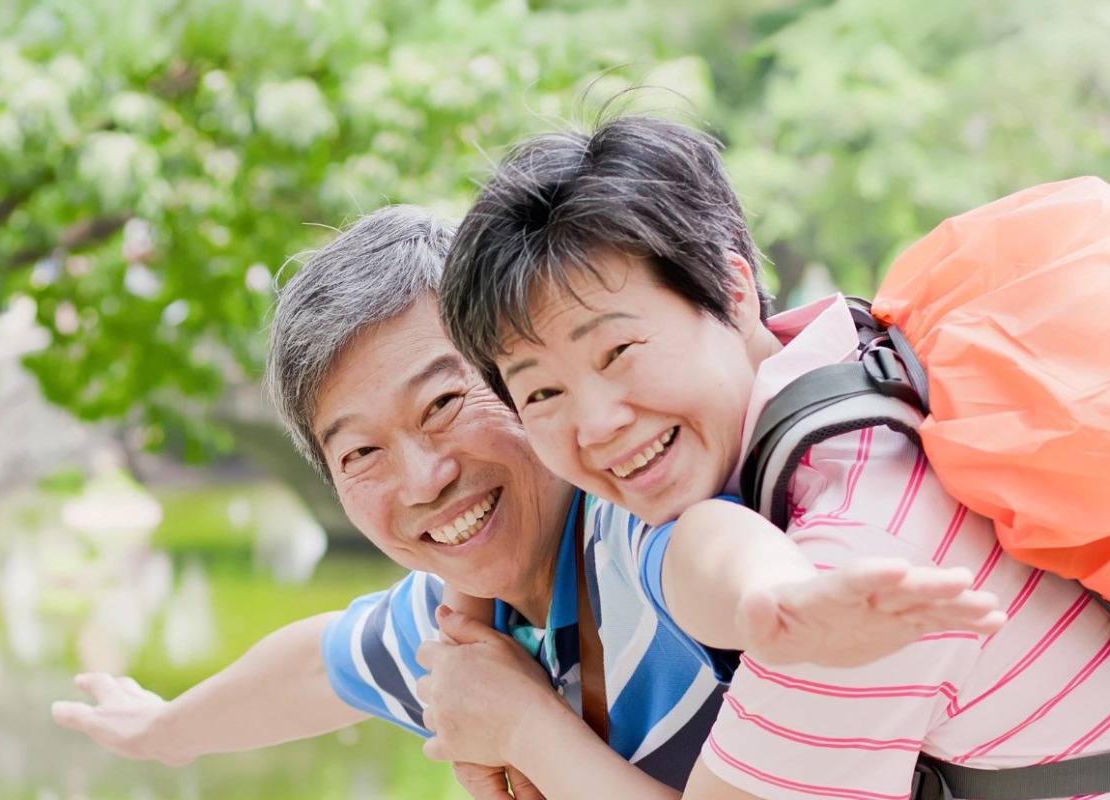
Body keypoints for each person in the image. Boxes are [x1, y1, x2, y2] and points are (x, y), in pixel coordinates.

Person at [414, 115, 1110, 800]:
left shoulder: (858, 565)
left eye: (617, 353)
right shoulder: (847, 357)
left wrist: (518, 725)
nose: (598, 424)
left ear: (729, 287)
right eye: (541, 393)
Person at [50, 205, 1004, 800]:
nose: (424, 480)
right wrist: (165, 732)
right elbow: (317, 666)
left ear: (520, 379)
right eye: (362, 453)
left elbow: (707, 549)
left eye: (443, 404)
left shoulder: (628, 509)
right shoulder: (458, 626)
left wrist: (780, 600)